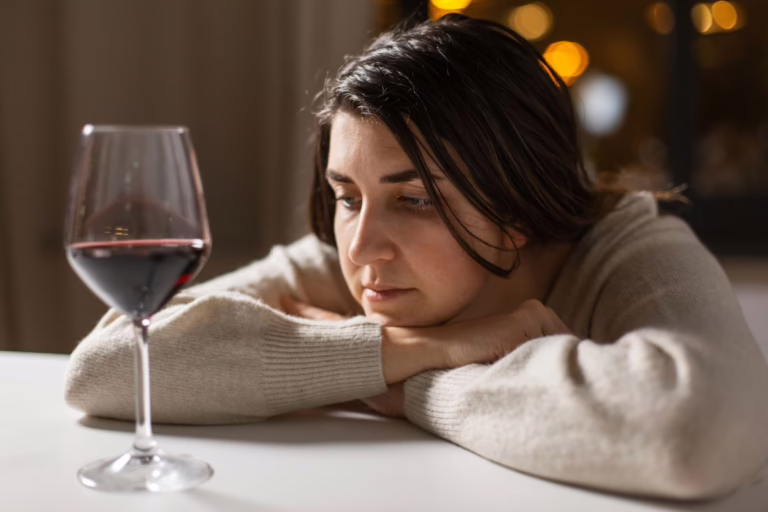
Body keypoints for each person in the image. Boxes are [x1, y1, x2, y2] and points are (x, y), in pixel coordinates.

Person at [64, 14, 768, 500]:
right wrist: (408, 347)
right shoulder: (347, 257)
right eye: (345, 196)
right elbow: (104, 369)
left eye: (416, 200)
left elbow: (700, 433)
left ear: (517, 209)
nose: (362, 246)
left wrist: (412, 384)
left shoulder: (631, 248)